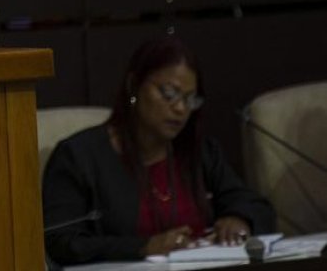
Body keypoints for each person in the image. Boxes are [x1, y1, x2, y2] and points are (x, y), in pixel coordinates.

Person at [42, 37, 275, 266]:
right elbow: (61, 241)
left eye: (190, 99)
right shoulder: (79, 156)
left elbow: (254, 204)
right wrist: (144, 247)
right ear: (134, 85)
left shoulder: (199, 152)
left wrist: (239, 219)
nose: (181, 108)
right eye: (169, 94)